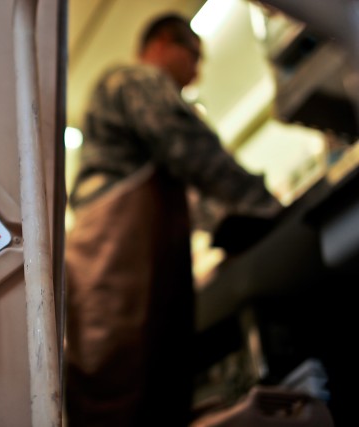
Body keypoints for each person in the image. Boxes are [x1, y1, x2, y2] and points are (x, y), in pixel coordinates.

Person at [64, 13, 283, 427]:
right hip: (113, 251)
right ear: (163, 43)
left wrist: (226, 227)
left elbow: (190, 189)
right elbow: (188, 146)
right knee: (122, 385)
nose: (196, 72)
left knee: (134, 388)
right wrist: (264, 204)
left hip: (111, 254)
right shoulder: (134, 79)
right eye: (193, 56)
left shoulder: (130, 116)